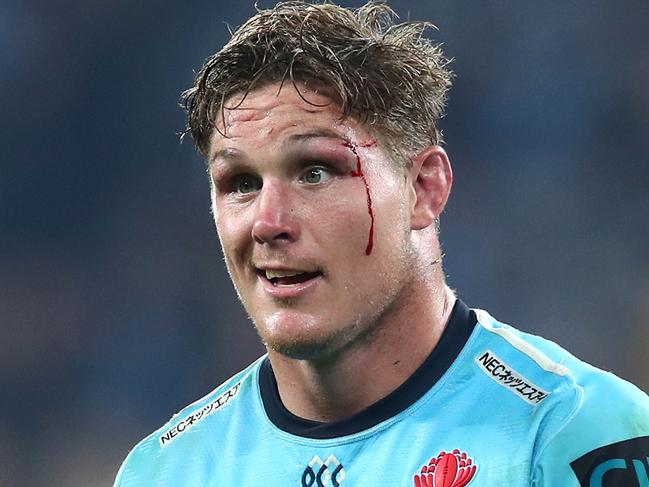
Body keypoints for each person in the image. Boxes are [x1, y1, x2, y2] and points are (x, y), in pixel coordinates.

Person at [114, 2, 649, 485]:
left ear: (423, 189)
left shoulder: (577, 438)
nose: (267, 222)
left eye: (316, 172)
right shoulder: (165, 472)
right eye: (241, 184)